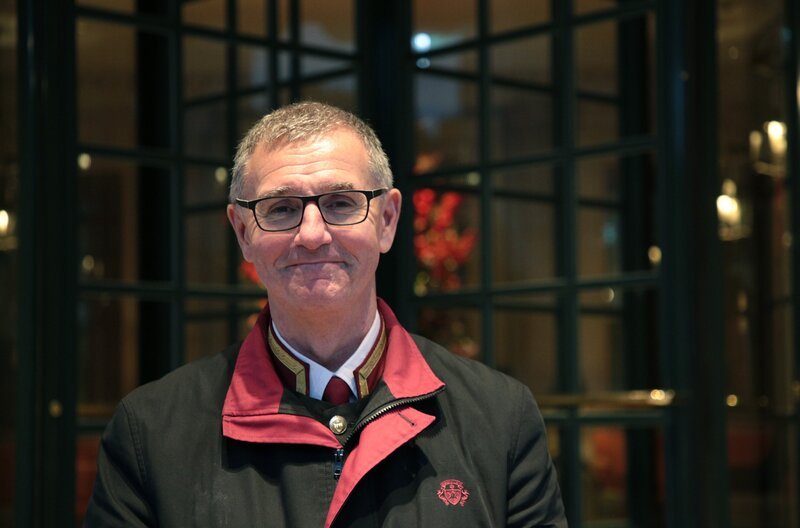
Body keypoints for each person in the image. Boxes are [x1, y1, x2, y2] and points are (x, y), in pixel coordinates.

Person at [85, 101, 567, 527]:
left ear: (388, 220)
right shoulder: (149, 434)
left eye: (340, 203)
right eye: (280, 209)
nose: (312, 234)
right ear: (242, 232)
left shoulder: (502, 418)